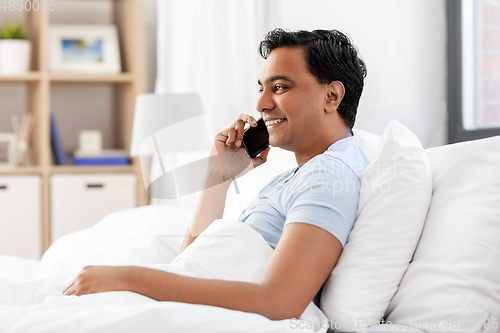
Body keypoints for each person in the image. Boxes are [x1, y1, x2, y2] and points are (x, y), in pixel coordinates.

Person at [62, 28, 369, 321]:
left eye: (279, 87)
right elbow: (193, 262)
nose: (261, 104)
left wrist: (127, 277)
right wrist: (217, 178)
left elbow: (279, 301)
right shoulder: (296, 176)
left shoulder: (328, 175)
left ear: (331, 97)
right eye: (261, 89)